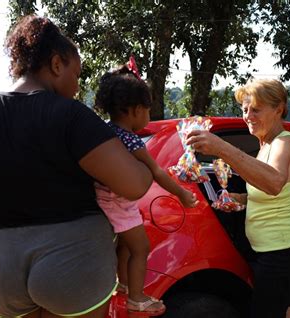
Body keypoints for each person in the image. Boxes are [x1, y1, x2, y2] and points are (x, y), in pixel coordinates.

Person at [0, 15, 153, 318]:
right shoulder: (71, 116)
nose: (77, 87)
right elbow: (133, 185)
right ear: (57, 64)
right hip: (75, 262)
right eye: (76, 75)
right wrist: (149, 166)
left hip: (7, 268)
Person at [186, 78, 290, 318]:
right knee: (288, 311)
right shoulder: (265, 146)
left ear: (278, 109)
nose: (248, 116)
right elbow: (276, 192)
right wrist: (241, 198)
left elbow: (274, 183)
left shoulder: (283, 143)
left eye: (256, 109)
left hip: (283, 251)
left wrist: (221, 148)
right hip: (283, 248)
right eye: (245, 109)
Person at [94, 63, 198, 315]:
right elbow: (157, 171)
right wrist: (182, 194)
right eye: (148, 110)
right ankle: (137, 297)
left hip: (104, 199)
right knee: (141, 248)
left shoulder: (105, 131)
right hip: (119, 202)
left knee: (125, 246)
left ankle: (124, 286)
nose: (149, 116)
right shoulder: (130, 139)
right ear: (136, 110)